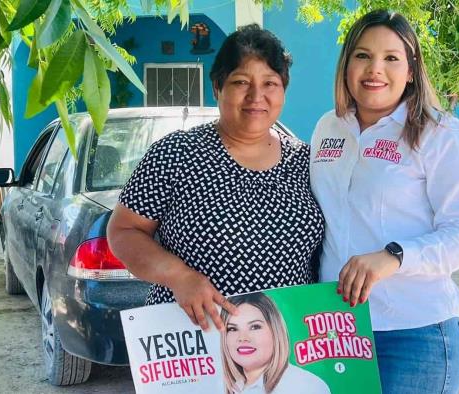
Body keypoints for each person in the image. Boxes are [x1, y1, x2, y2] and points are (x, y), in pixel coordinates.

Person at [310, 10, 459, 394]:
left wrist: (394, 255)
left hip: (413, 335)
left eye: (391, 58)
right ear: (346, 65)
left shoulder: (441, 134)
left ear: (410, 70)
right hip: (334, 331)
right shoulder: (328, 127)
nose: (375, 69)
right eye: (362, 55)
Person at [107, 24, 324, 331]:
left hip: (282, 345)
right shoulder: (176, 154)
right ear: (217, 87)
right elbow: (123, 232)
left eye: (270, 83)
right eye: (240, 82)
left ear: (283, 90)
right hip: (192, 341)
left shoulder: (306, 162)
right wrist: (178, 275)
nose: (256, 96)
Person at [220, 292, 330, 394]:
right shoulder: (233, 387)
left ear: (275, 331)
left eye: (255, 327)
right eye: (232, 329)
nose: (242, 338)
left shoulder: (305, 385)